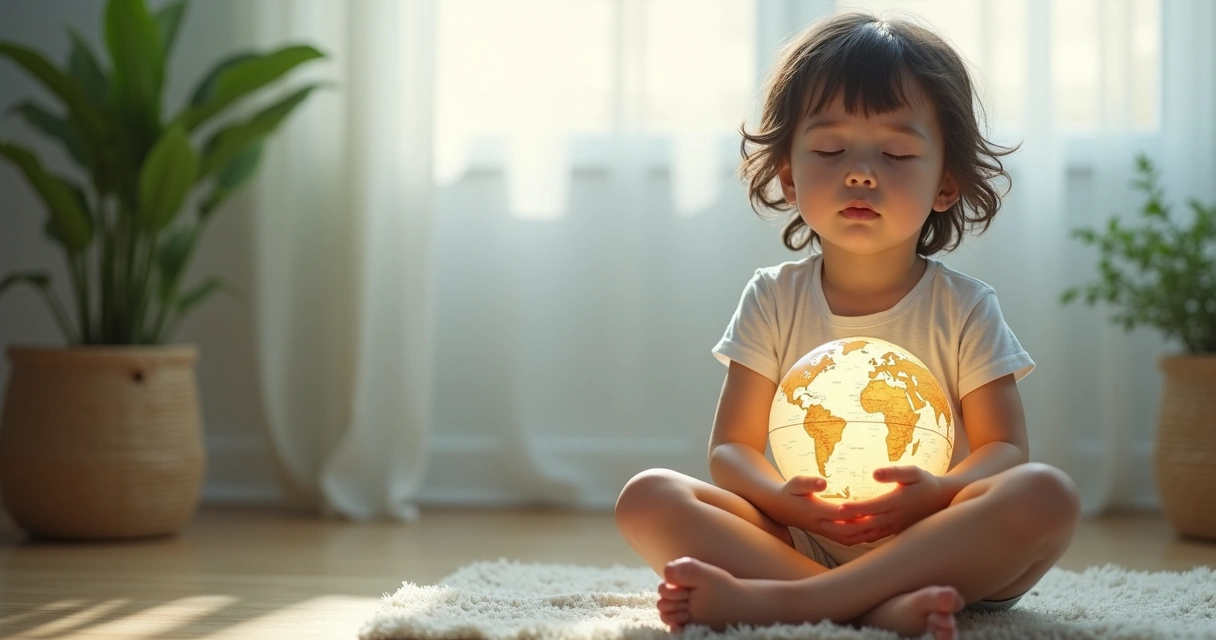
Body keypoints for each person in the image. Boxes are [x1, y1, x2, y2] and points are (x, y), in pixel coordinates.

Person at [613, 10, 1080, 640]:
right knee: (647, 497)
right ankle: (872, 609)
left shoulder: (964, 306)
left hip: (937, 544)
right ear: (789, 175)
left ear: (946, 182)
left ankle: (795, 604)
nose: (861, 172)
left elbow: (1005, 451)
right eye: (831, 150)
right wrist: (781, 501)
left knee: (1045, 493)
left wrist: (938, 493)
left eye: (897, 152)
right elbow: (732, 450)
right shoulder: (773, 297)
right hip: (800, 538)